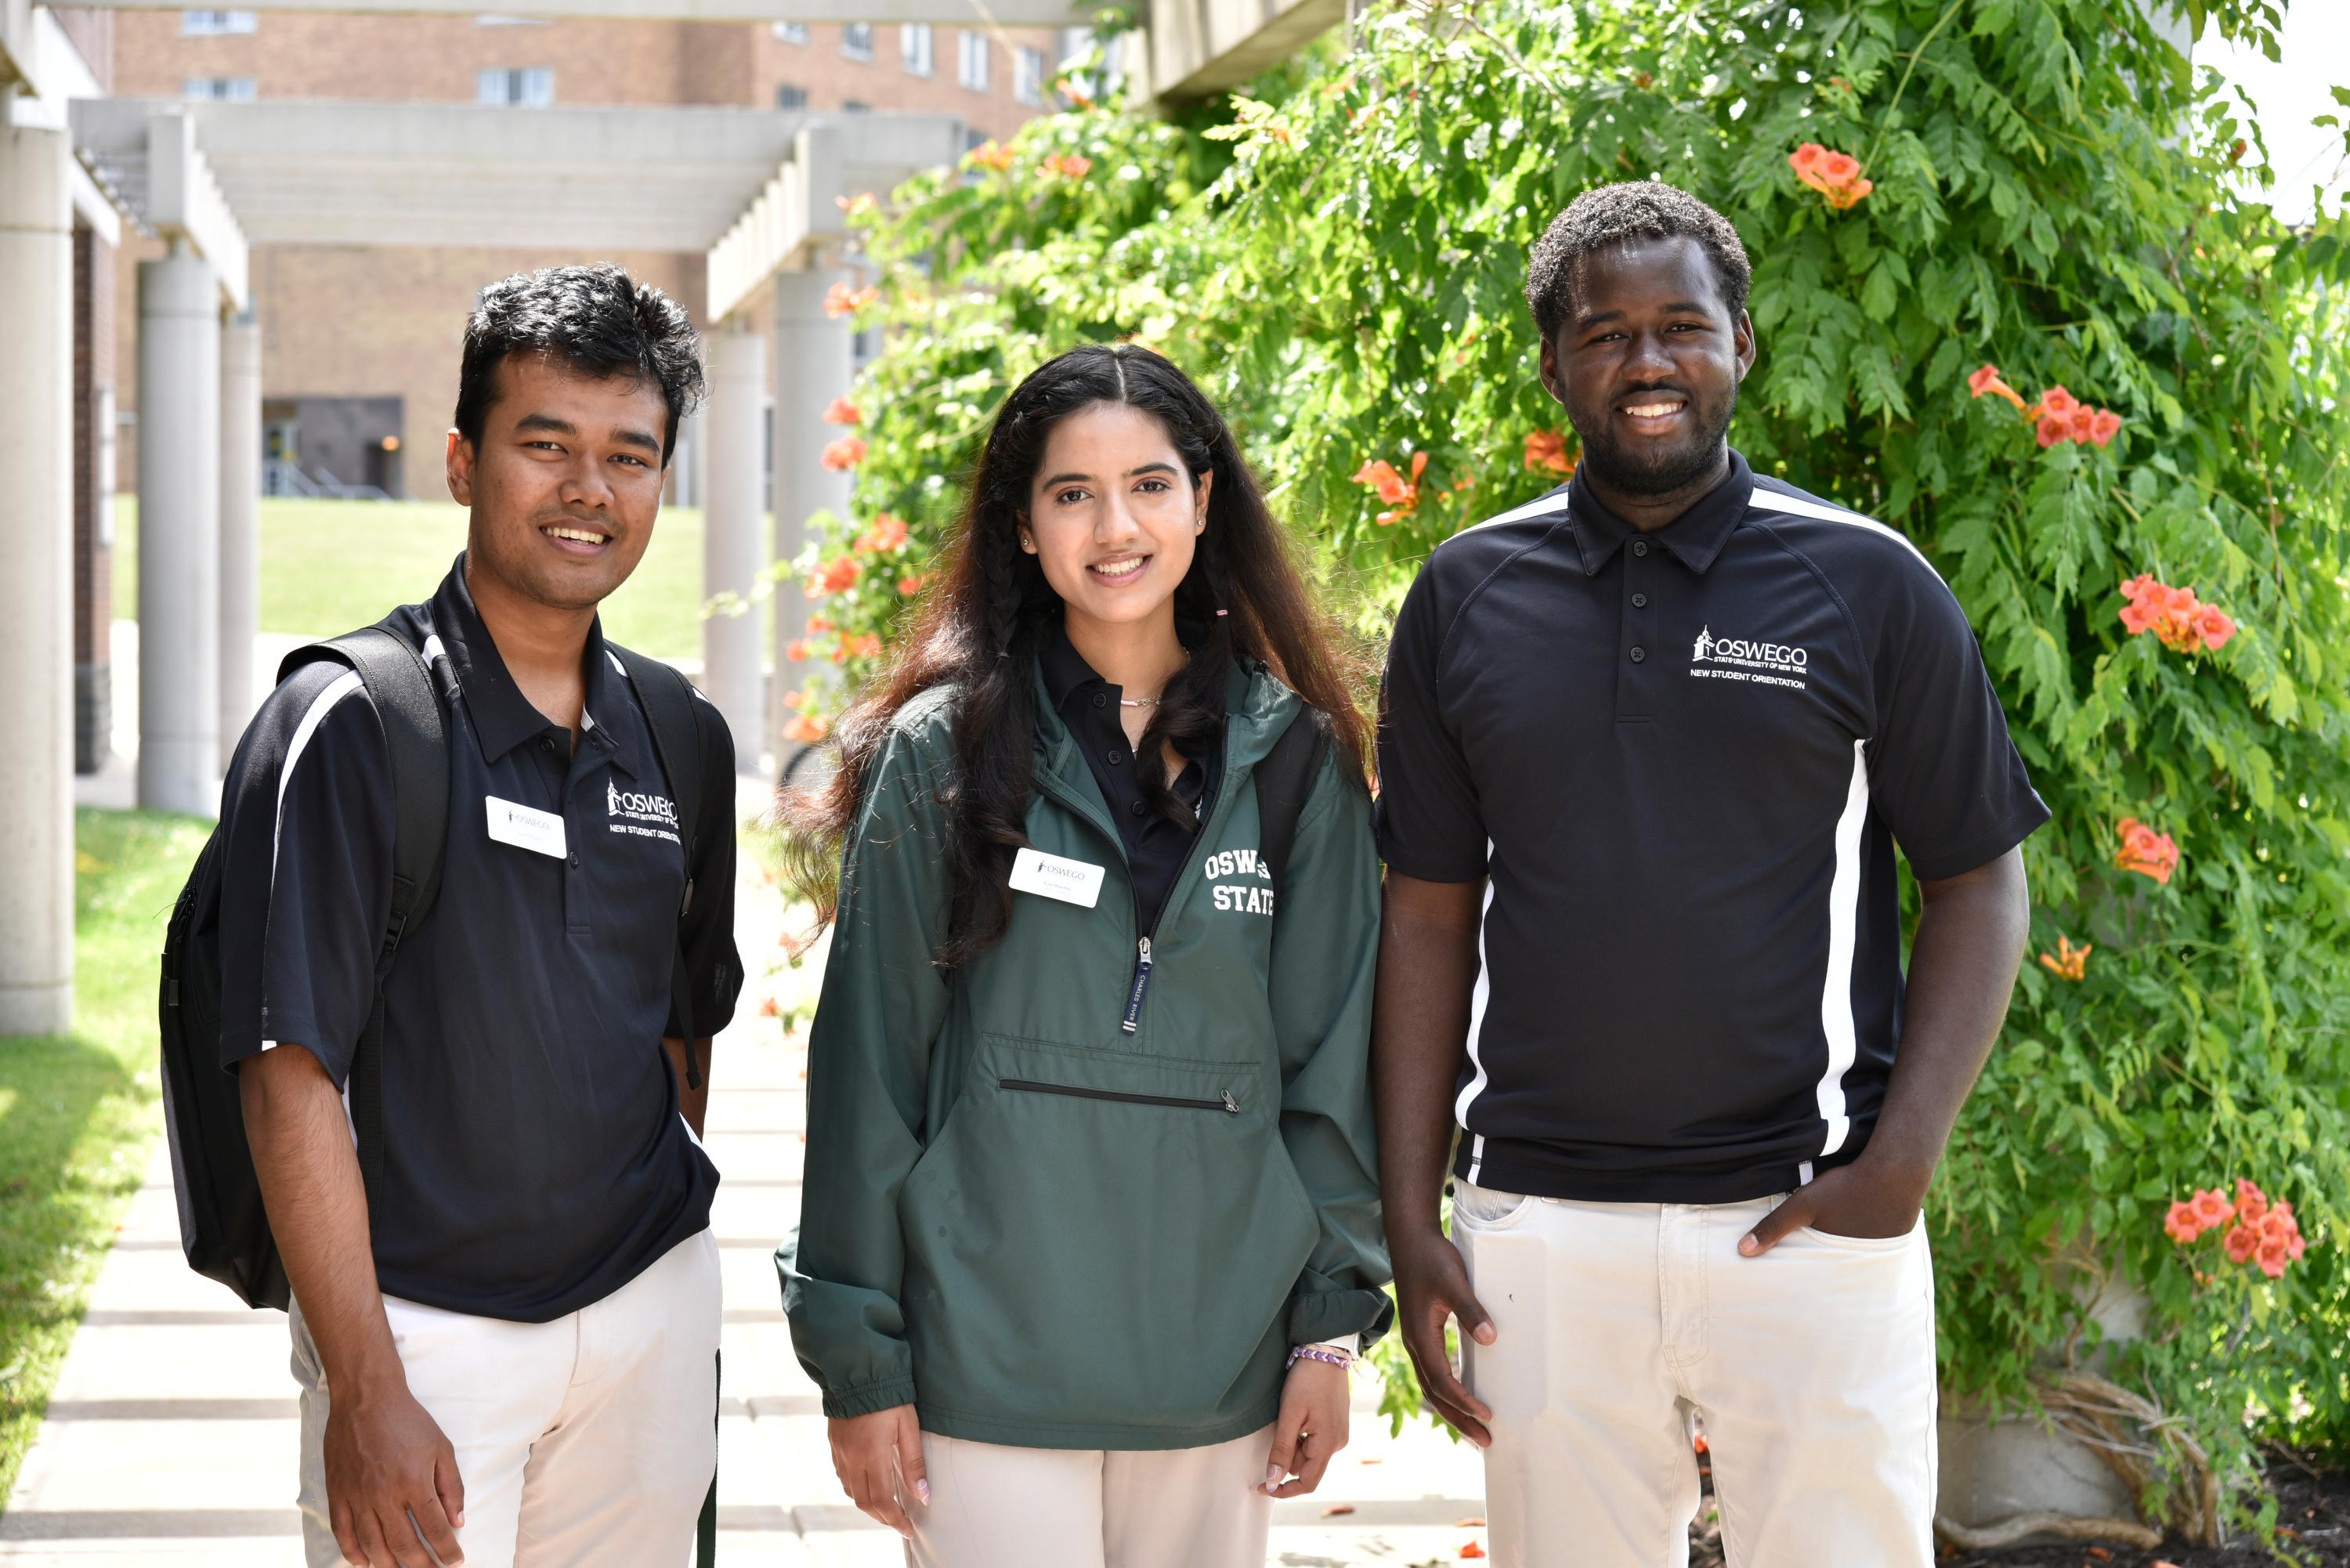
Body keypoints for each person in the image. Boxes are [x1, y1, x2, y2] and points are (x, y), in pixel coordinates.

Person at [1373, 182, 2047, 1567]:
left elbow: (1981, 879)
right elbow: (1427, 913)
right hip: (1543, 1237)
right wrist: (1412, 1210)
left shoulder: (1870, 583)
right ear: (1554, 361)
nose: (1648, 361)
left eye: (1682, 324)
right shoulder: (1465, 593)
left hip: (1809, 1219)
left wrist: (1901, 1165)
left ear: (1743, 341)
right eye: (1605, 332)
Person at [779, 343, 1392, 1567]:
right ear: (1021, 525)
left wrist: (1328, 1331)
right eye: (1072, 493)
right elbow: (867, 1079)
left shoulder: (1295, 761)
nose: (1116, 526)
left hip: (1219, 1368)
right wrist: (860, 1359)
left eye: (1151, 484)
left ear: (1204, 499)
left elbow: (1332, 1069)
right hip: (981, 1369)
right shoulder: (941, 752)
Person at [219, 264, 739, 1568]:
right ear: (462, 461)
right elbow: (287, 1070)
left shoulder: (683, 736)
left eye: (632, 454)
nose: (590, 489)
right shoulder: (353, 724)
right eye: (545, 444)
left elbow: (683, 1037)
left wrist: (657, 1287)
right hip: (425, 1339)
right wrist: (366, 1383)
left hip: (647, 1319)